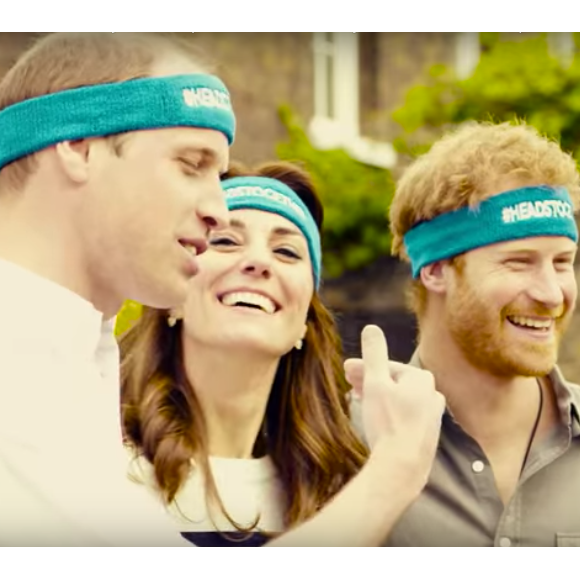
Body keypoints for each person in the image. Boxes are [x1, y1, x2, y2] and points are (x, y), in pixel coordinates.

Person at [0, 31, 444, 548]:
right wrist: (398, 468)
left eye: (286, 251)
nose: (216, 209)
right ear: (78, 146)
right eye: (191, 165)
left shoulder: (72, 366)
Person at [120, 161, 446, 547]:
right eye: (225, 241)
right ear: (172, 300)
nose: (259, 262)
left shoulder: (335, 488)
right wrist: (395, 471)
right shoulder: (95, 456)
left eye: (287, 251)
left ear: (304, 323)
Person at [347, 120, 580, 547]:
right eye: (519, 262)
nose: (552, 293)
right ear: (435, 270)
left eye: (563, 262)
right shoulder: (339, 441)